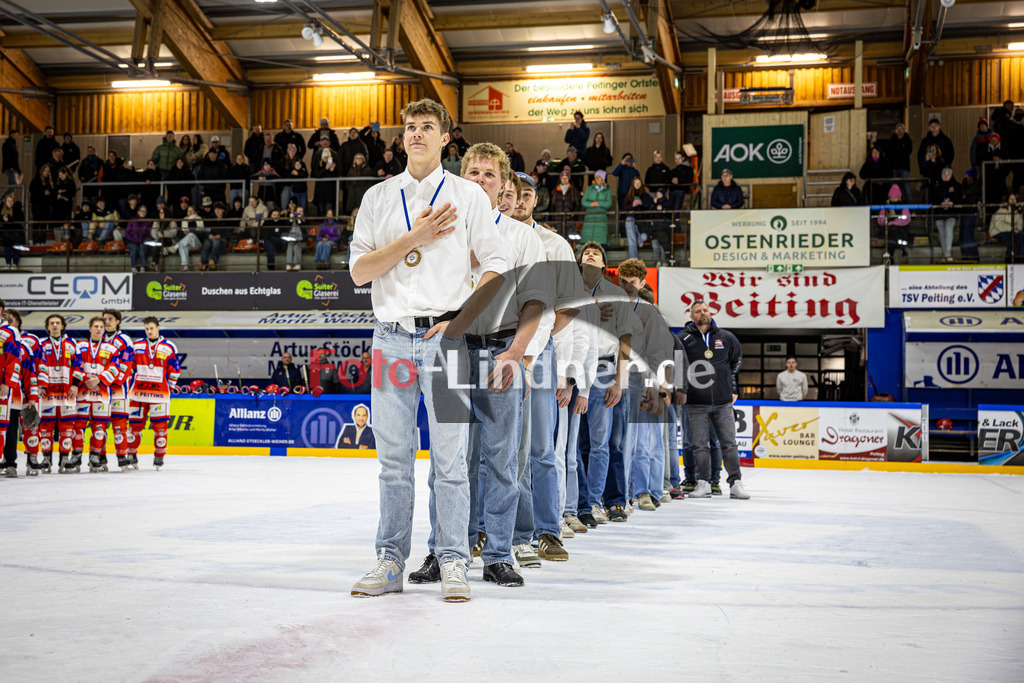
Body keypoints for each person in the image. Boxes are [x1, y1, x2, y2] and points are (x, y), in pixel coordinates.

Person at [348, 97, 505, 602]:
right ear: (403, 138)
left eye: (427, 127)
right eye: (410, 127)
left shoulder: (467, 196)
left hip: (446, 342)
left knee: (451, 460)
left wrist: (461, 321)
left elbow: (497, 267)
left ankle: (454, 562)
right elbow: (359, 271)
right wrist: (413, 237)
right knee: (393, 460)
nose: (417, 134)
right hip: (390, 339)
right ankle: (390, 561)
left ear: (445, 139)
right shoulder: (377, 197)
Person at [577, 241, 640, 523]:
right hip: (573, 370)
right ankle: (577, 504)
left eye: (596, 254)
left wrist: (620, 379)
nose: (590, 255)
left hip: (604, 370)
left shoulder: (615, 294)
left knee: (602, 443)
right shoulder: (569, 290)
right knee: (575, 445)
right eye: (585, 253)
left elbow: (625, 336)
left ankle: (592, 502)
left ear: (604, 264)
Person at [677, 300, 749, 500]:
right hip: (695, 402)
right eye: (698, 311)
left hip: (722, 401)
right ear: (692, 316)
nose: (703, 313)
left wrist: (728, 383)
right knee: (699, 445)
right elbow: (677, 365)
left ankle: (736, 482)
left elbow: (736, 362)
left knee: (729, 443)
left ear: (711, 313)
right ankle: (704, 482)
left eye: (705, 310)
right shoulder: (683, 338)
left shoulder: (726, 337)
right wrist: (682, 389)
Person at [127, 317, 180, 470]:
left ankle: (159, 456)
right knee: (133, 428)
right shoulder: (137, 345)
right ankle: (131, 454)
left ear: (158, 327)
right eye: (146, 329)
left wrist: (168, 388)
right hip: (138, 395)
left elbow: (175, 369)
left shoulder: (169, 346)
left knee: (160, 428)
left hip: (159, 395)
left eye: (151, 328)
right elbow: (130, 368)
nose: (149, 331)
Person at [36, 313, 84, 473]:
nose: (55, 325)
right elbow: (38, 366)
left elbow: (79, 366)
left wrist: (76, 385)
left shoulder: (72, 343)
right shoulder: (41, 344)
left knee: (67, 426)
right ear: (47, 327)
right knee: (45, 427)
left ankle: (64, 457)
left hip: (67, 391)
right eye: (52, 323)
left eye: (58, 323)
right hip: (47, 392)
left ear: (63, 326)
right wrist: (40, 385)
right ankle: (46, 459)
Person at [74, 316, 120, 472]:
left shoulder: (112, 349)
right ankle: (76, 456)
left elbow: (115, 369)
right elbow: (76, 365)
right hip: (83, 392)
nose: (99, 329)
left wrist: (98, 380)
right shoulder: (79, 346)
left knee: (99, 428)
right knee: (78, 427)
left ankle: (95, 456)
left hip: (101, 393)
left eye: (101, 326)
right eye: (96, 326)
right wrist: (88, 380)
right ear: (90, 328)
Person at [0, 307, 39, 477]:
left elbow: (27, 372)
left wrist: (31, 396)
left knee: (9, 427)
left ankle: (10, 462)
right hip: (9, 389)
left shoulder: (23, 344)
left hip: (13, 392)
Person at [102, 310, 137, 470]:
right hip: (100, 390)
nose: (106, 322)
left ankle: (122, 457)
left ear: (118, 321)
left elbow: (126, 367)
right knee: (99, 424)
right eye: (104, 319)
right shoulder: (98, 338)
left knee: (120, 426)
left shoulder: (125, 340)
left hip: (118, 390)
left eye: (110, 319)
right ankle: (100, 458)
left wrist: (108, 380)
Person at [932, 167, 961, 262]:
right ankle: (945, 252)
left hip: (951, 213)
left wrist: (953, 202)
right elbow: (932, 198)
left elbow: (958, 197)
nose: (945, 176)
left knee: (948, 230)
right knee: (942, 232)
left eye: (948, 174)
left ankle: (947, 252)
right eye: (944, 174)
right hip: (939, 213)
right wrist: (940, 203)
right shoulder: (936, 185)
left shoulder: (956, 185)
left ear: (951, 175)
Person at [623, 176, 654, 260]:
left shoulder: (645, 195)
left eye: (639, 183)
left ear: (641, 184)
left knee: (644, 236)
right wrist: (632, 205)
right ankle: (634, 259)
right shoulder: (629, 195)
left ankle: (639, 241)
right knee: (631, 239)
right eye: (635, 183)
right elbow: (624, 207)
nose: (637, 185)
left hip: (642, 219)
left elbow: (651, 204)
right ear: (633, 184)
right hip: (631, 218)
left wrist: (642, 203)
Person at [580, 169, 613, 245]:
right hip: (589, 216)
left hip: (601, 216)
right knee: (587, 240)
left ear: (603, 179)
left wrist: (598, 203)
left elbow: (609, 203)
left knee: (600, 240)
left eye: (599, 178)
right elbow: (583, 201)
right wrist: (591, 204)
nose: (597, 179)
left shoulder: (607, 190)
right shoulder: (589, 188)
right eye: (596, 177)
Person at [989, 192, 1023, 262]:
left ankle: (1019, 258)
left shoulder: (1018, 212)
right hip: (997, 231)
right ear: (1008, 200)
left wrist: (1017, 229)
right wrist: (1012, 228)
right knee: (1012, 236)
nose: (1013, 201)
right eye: (1011, 199)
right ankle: (1009, 259)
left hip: (1012, 231)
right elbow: (997, 224)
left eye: (1014, 199)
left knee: (1020, 236)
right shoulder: (1002, 210)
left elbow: (1020, 224)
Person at [550, 168, 581, 238]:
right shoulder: (555, 191)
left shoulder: (573, 190)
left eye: (566, 178)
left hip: (569, 219)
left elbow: (578, 204)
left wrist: (573, 213)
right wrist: (554, 215)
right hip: (558, 218)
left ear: (569, 179)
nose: (564, 180)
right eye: (563, 178)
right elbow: (552, 205)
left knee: (570, 236)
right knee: (558, 237)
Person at [29, 165, 55, 244]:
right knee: (36, 223)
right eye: (45, 171)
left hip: (45, 205)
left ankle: (43, 240)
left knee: (44, 224)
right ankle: (35, 240)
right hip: (37, 204)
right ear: (42, 171)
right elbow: (32, 190)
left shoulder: (49, 181)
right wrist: (43, 193)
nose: (46, 173)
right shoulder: (36, 180)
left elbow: (52, 192)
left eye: (48, 171)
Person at [0, 192, 25, 269]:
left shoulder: (16, 208)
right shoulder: (2, 208)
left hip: (16, 232)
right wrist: (3, 219)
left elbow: (21, 218)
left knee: (16, 248)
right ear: (5, 201)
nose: (10, 202)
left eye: (11, 201)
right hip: (6, 232)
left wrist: (9, 220)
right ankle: (8, 264)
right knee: (7, 248)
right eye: (8, 200)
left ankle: (15, 264)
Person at [126, 204, 152, 272]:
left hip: (142, 241)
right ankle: (133, 267)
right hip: (132, 241)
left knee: (142, 247)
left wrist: (143, 240)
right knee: (134, 248)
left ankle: (143, 266)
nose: (143, 213)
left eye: (145, 211)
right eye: (142, 211)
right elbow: (128, 233)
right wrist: (135, 240)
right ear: (138, 212)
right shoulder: (132, 221)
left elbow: (149, 234)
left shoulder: (148, 222)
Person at [284, 201, 305, 271]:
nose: (300, 213)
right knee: (290, 246)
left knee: (297, 247)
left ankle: (297, 264)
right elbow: (286, 227)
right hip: (291, 239)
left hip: (301, 240)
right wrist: (291, 219)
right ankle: (289, 264)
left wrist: (299, 220)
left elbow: (304, 231)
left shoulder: (305, 220)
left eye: (301, 211)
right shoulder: (291, 220)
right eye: (298, 211)